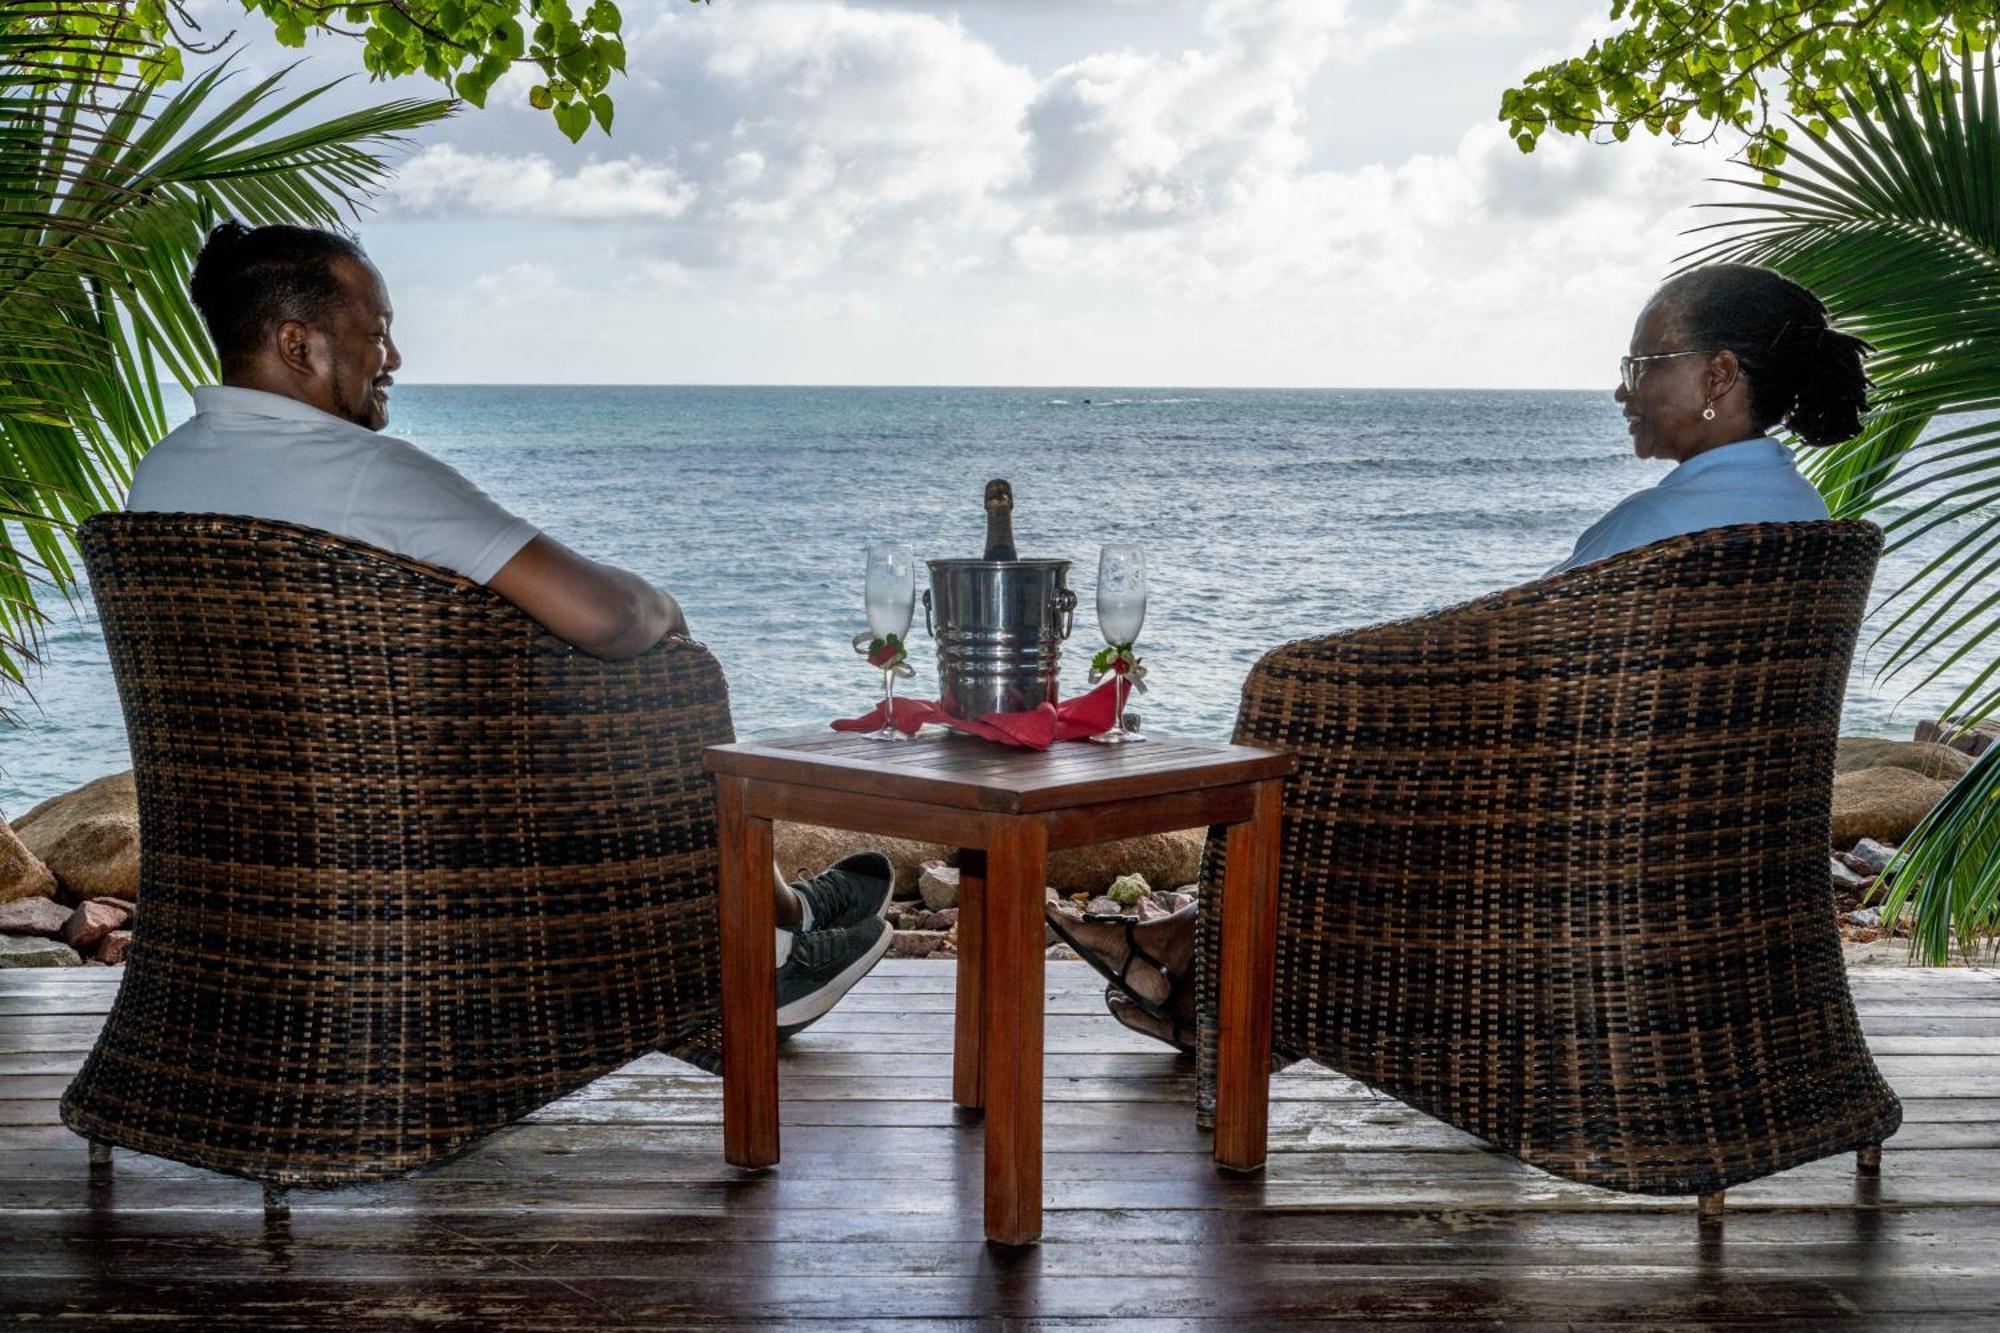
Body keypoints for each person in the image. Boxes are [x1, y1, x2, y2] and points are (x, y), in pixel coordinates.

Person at [1049, 261, 1874, 1051]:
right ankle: (1179, 955)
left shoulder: (1654, 533)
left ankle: (1187, 971)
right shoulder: (1803, 521)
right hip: (1698, 850)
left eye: (1642, 362)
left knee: (1320, 773)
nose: (1623, 389)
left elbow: (1499, 663)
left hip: (1561, 851)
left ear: (1719, 376)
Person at [126, 221, 892, 1038]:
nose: (392, 359)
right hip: (438, 860)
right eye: (377, 334)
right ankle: (759, 957)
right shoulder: (366, 475)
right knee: (658, 670)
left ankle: (785, 911)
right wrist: (666, 607)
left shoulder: (162, 475)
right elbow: (608, 616)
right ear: (298, 345)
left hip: (254, 862)